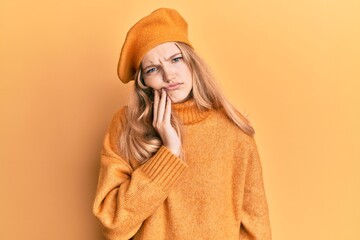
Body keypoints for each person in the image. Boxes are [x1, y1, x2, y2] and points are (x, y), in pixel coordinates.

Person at [93, 8, 271, 240]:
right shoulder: (127, 126)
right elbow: (114, 225)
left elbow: (256, 229)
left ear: (191, 62)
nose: (169, 75)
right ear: (144, 81)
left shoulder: (233, 128)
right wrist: (169, 153)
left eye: (175, 59)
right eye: (153, 69)